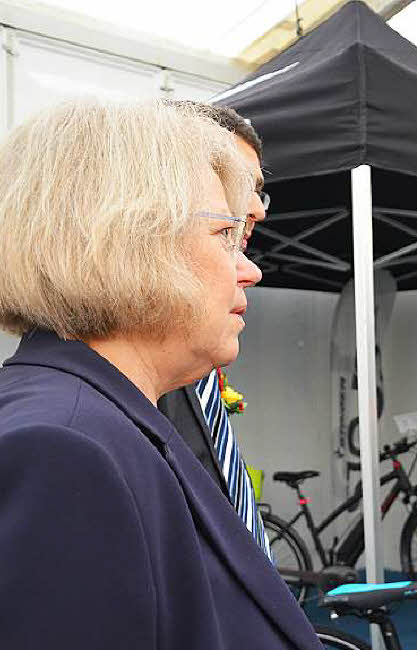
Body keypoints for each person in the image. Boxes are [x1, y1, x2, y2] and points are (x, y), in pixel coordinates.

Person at [0, 100, 357, 650]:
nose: (249, 267)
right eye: (225, 235)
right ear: (127, 241)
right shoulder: (66, 454)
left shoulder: (102, 421)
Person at [157, 102, 271, 559]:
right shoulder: (129, 357)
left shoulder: (193, 345)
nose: (256, 211)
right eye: (238, 184)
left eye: (260, 191)